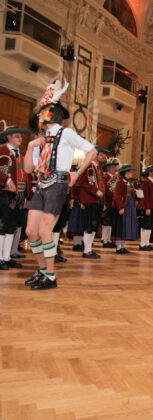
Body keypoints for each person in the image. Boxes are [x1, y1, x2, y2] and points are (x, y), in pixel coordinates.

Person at [24, 79, 97, 290]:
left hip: (57, 184)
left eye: (41, 113)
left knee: (46, 230)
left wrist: (76, 173)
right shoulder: (41, 138)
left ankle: (51, 276)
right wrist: (30, 147)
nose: (38, 116)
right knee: (31, 231)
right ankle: (43, 271)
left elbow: (91, 150)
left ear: (50, 114)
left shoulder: (66, 133)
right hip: (41, 185)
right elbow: (29, 169)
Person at [0, 123, 32, 270]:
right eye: (17, 136)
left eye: (20, 136)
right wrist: (6, 180)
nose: (20, 138)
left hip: (19, 195)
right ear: (8, 137)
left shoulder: (21, 154)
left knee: (11, 227)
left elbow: (27, 176)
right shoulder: (2, 151)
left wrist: (26, 196)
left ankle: (7, 257)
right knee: (2, 226)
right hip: (5, 193)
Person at [77, 147, 107, 259]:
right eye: (101, 154)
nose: (102, 157)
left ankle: (89, 249)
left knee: (94, 225)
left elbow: (100, 184)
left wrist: (103, 201)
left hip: (97, 200)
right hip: (90, 199)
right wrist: (95, 191)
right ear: (95, 155)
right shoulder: (88, 166)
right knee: (90, 224)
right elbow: (82, 182)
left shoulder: (97, 168)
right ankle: (86, 250)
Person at [111, 165, 138, 254]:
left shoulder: (129, 182)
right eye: (130, 172)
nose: (132, 173)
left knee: (126, 226)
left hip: (129, 206)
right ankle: (119, 247)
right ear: (126, 173)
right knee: (121, 226)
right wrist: (120, 207)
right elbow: (117, 196)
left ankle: (122, 246)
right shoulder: (120, 182)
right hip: (123, 205)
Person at [139, 165, 153, 251]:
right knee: (145, 225)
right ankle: (142, 244)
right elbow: (144, 196)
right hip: (148, 208)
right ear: (150, 172)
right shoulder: (145, 182)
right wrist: (146, 208)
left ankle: (147, 243)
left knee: (150, 226)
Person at [101, 158, 119, 248]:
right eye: (112, 167)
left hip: (113, 202)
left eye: (115, 167)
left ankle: (109, 239)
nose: (114, 169)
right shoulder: (105, 177)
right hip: (108, 201)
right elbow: (105, 190)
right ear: (107, 168)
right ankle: (105, 240)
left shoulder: (115, 178)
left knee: (111, 222)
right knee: (106, 221)